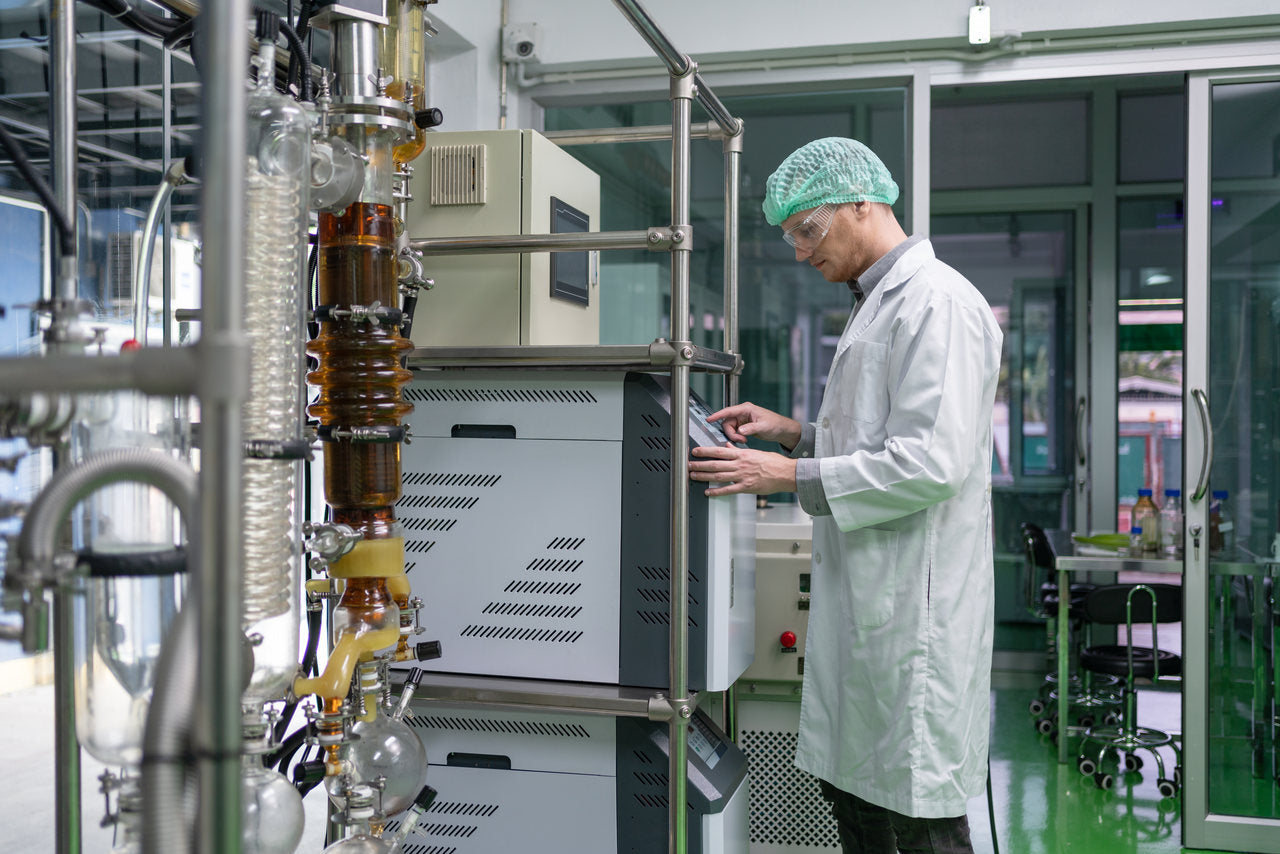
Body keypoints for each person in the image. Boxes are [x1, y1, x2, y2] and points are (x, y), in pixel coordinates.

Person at [689, 137, 1003, 853]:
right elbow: (878, 436)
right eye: (792, 236)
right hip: (869, 612)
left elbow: (930, 462)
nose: (801, 253)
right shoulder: (877, 304)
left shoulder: (937, 303)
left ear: (864, 202)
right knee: (860, 806)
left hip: (912, 624)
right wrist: (794, 434)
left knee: (921, 825)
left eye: (809, 230)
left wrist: (787, 476)